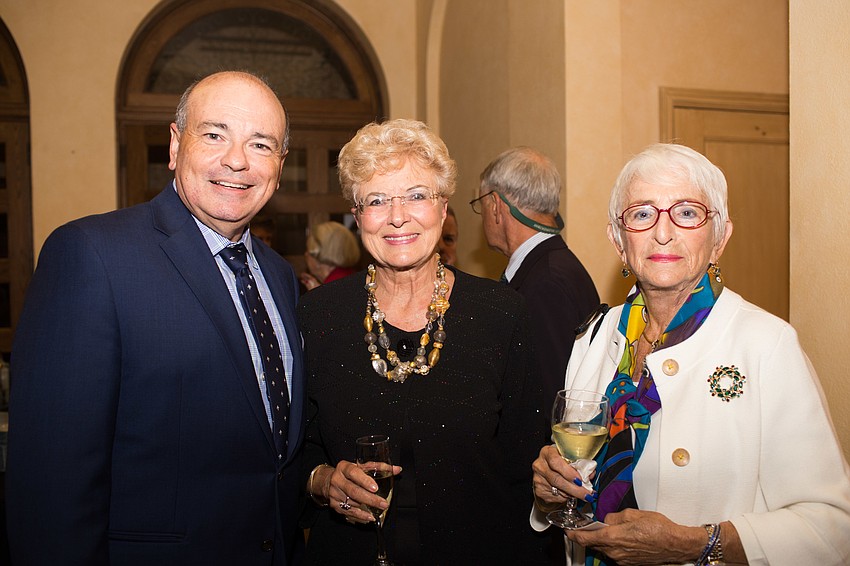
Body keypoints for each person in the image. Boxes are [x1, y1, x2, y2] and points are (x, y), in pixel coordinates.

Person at [6, 71, 307, 565]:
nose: (237, 160)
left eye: (260, 144)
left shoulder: (279, 276)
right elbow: (51, 481)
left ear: (279, 165)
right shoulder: (91, 255)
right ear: (174, 144)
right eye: (214, 135)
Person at [531, 143, 850, 565]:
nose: (663, 233)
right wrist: (552, 491)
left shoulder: (766, 345)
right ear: (618, 240)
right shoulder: (593, 337)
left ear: (719, 238)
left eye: (686, 213)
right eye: (642, 214)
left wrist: (696, 545)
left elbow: (832, 528)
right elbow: (575, 476)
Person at [298, 119, 546, 565]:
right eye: (376, 200)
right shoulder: (319, 317)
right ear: (356, 215)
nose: (398, 216)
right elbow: (296, 455)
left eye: (416, 195)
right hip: (350, 553)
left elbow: (528, 467)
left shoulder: (502, 314)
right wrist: (322, 480)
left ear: (443, 206)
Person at [472, 147, 599, 420]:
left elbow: (547, 397)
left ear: (495, 205)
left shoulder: (545, 283)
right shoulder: (555, 266)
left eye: (480, 205)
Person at [298, 220, 360, 291]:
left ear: (318, 259)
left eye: (308, 250)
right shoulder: (350, 277)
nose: (306, 254)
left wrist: (318, 296)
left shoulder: (333, 286)